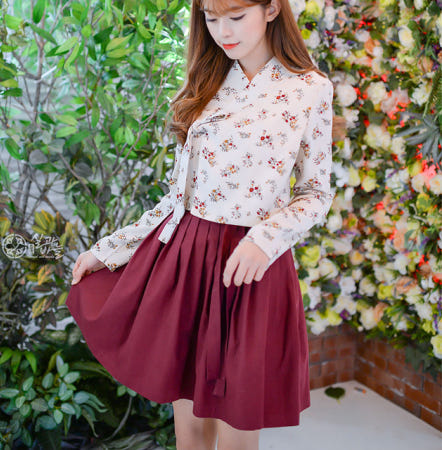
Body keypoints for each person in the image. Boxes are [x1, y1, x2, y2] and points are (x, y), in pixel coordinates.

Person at [67, 0, 334, 448]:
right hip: (189, 258)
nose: (223, 31)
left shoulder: (310, 89)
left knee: (237, 427)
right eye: (211, 18)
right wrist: (111, 249)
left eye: (236, 17)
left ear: (271, 9)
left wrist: (264, 241)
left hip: (251, 268)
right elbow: (178, 198)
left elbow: (315, 193)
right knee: (189, 422)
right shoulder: (207, 81)